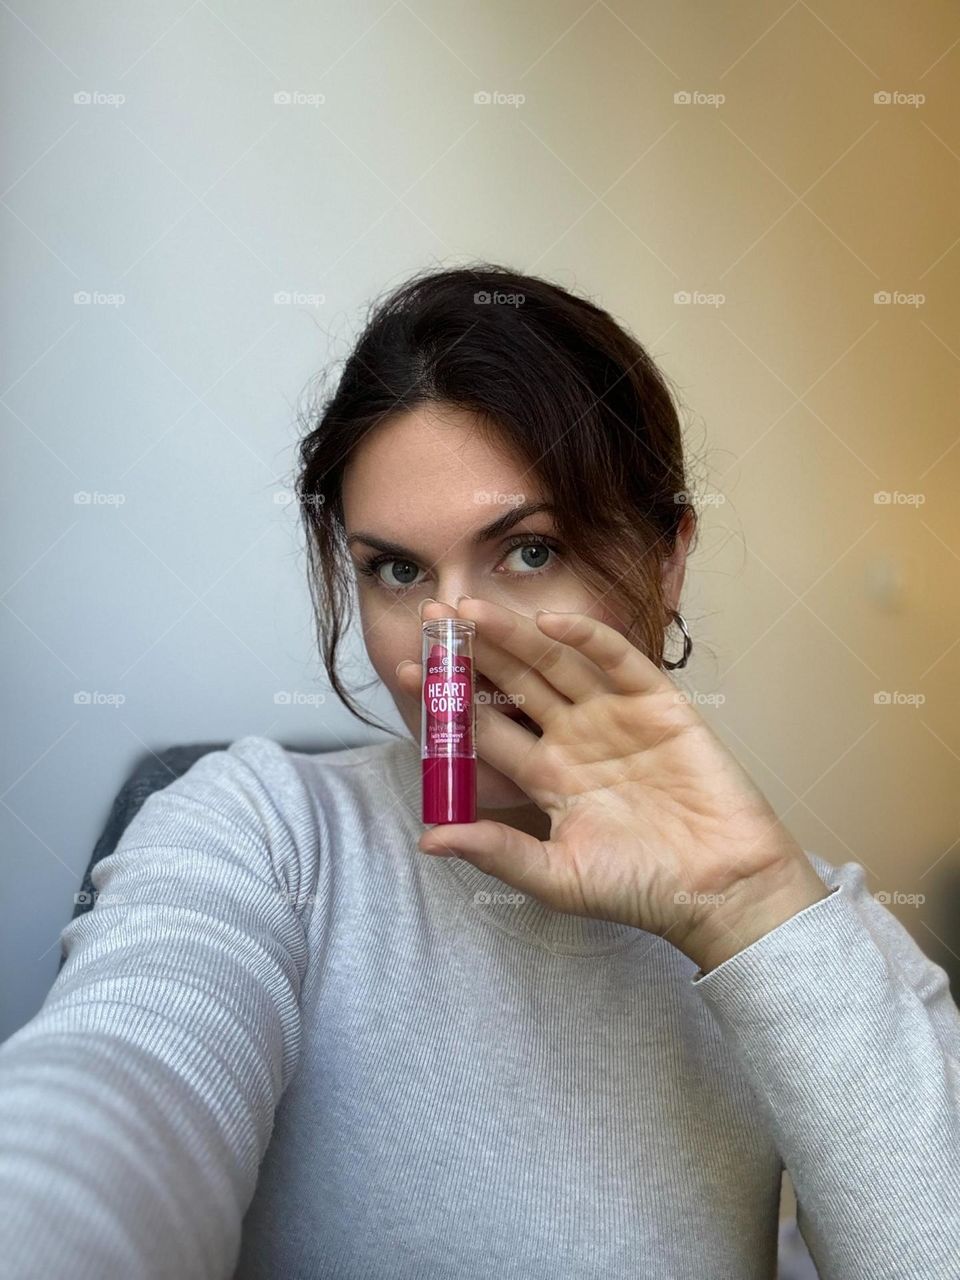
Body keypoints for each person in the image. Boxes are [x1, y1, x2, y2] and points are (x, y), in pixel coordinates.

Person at [0, 264, 957, 1279]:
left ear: (667, 557)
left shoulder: (814, 929)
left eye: (529, 551)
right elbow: (116, 1092)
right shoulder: (262, 831)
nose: (443, 651)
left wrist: (747, 910)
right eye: (398, 571)